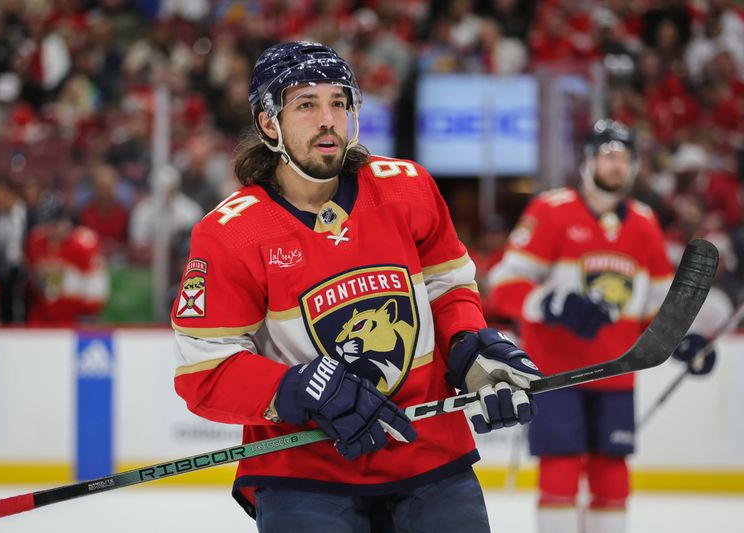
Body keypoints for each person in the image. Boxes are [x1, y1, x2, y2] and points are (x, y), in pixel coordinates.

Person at [170, 41, 542, 533]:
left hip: (426, 449)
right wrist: (297, 387)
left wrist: (467, 345)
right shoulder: (231, 232)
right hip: (307, 469)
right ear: (267, 123)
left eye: (339, 102)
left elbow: (448, 288)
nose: (328, 119)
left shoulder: (407, 188)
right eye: (306, 104)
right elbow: (206, 369)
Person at [487, 119, 714, 533]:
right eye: (609, 156)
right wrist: (551, 302)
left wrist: (683, 340)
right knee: (561, 467)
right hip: (557, 372)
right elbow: (502, 285)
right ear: (588, 160)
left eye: (624, 158)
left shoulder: (644, 223)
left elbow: (659, 307)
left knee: (612, 474)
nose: (616, 166)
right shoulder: (551, 210)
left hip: (618, 371)